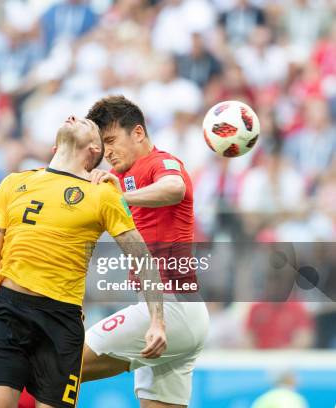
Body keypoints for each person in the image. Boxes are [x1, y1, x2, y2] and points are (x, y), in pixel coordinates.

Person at [0, 115, 167, 408]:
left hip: (60, 318)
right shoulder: (14, 183)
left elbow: (142, 257)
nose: (73, 117)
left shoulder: (103, 193)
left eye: (86, 124)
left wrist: (157, 320)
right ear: (56, 146)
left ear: (95, 149)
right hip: (8, 310)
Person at [82, 95, 209, 408]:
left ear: (137, 133)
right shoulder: (120, 179)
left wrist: (121, 198)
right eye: (102, 145)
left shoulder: (161, 162)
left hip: (173, 307)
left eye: (111, 140)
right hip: (170, 312)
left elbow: (174, 188)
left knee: (59, 364)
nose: (107, 152)